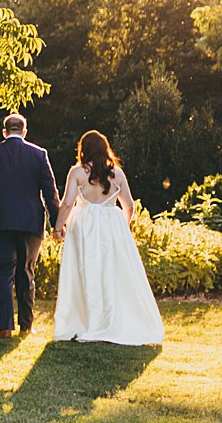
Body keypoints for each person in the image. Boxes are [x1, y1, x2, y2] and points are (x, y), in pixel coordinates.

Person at [51, 131, 163, 346]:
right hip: (111, 226)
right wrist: (121, 228)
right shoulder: (117, 174)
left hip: (84, 226)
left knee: (84, 272)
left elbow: (67, 204)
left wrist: (58, 228)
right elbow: (128, 205)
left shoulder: (77, 173)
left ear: (83, 149)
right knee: (112, 272)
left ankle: (85, 322)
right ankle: (110, 321)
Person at [0, 112, 61, 341]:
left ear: (4, 132)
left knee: (3, 274)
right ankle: (26, 327)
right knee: (26, 272)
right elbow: (50, 192)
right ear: (24, 131)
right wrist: (57, 223)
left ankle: (5, 328)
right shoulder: (39, 155)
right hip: (29, 222)